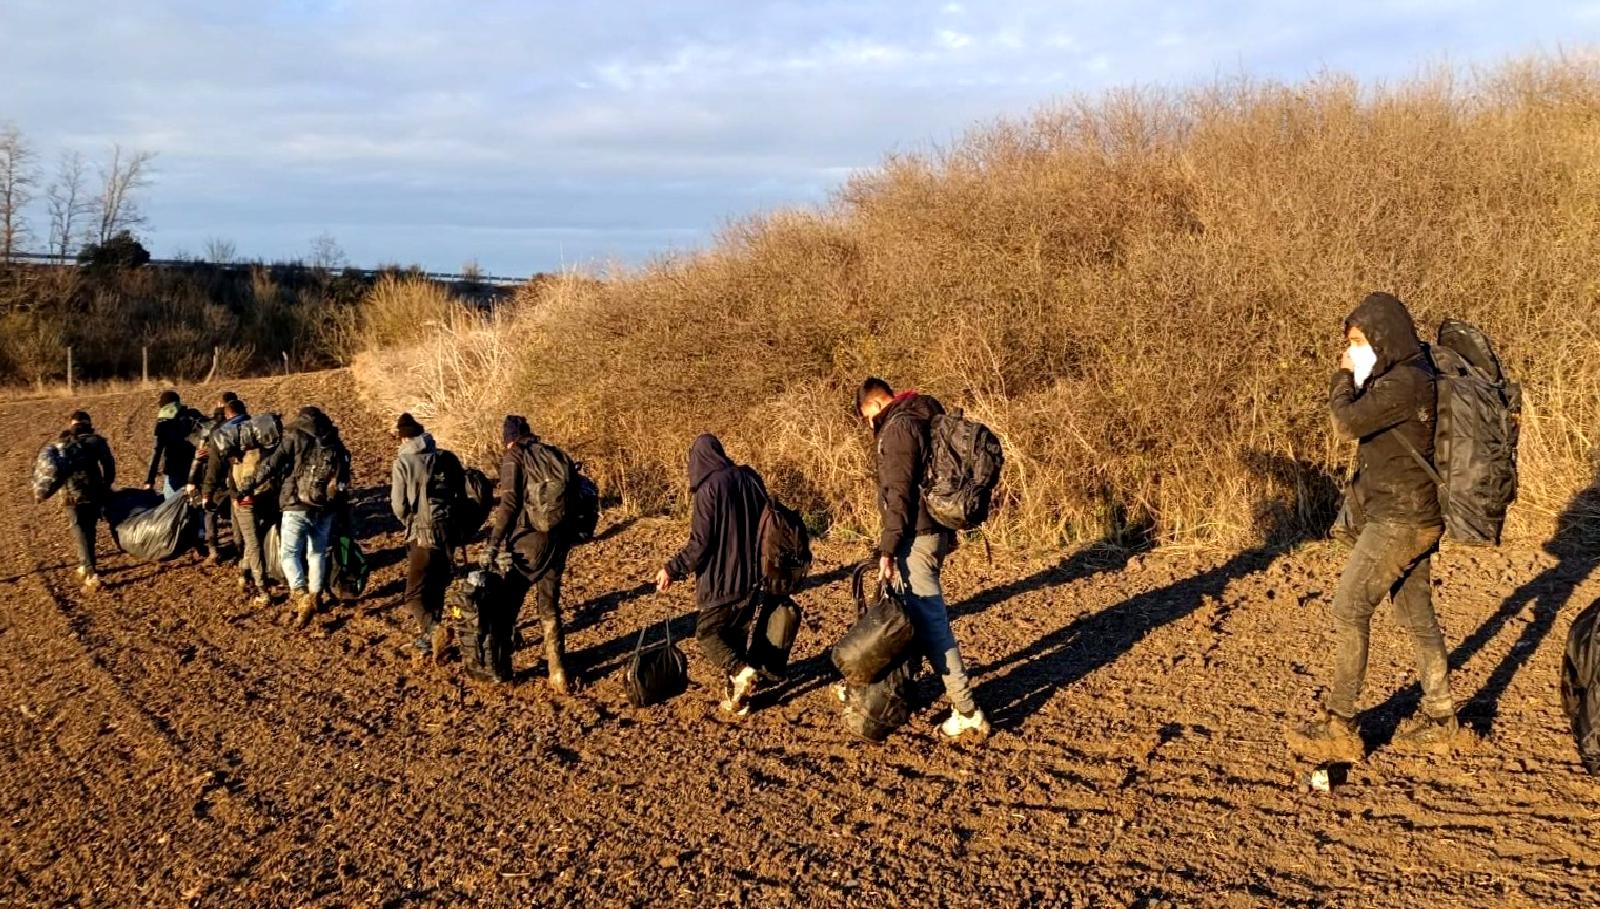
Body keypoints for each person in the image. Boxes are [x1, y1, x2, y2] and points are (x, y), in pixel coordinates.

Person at [1289, 292, 1459, 763]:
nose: (1352, 350)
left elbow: (1346, 423)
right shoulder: (1412, 373)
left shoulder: (1402, 383)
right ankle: (1442, 717)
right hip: (1415, 514)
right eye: (1349, 344)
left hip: (1400, 519)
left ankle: (1340, 724)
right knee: (1415, 614)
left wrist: (1342, 376)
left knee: (1348, 609)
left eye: (1359, 341)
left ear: (1383, 338)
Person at [855, 377, 990, 739]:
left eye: (866, 418)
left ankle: (967, 711)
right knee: (908, 617)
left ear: (874, 406)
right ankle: (897, 690)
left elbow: (897, 496)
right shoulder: (925, 414)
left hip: (917, 537)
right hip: (935, 534)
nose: (869, 426)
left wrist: (887, 549)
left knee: (931, 625)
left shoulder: (896, 430)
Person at [654, 434, 769, 716]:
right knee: (735, 638)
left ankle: (741, 672)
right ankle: (737, 700)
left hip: (721, 580)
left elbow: (700, 545)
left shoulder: (709, 489)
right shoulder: (750, 478)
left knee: (707, 635)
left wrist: (672, 568)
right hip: (753, 576)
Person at [482, 415, 575, 692]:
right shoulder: (551, 454)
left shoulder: (514, 457)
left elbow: (509, 505)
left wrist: (494, 542)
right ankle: (558, 671)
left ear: (508, 438)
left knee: (508, 603)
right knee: (549, 603)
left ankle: (502, 668)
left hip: (528, 541)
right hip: (558, 539)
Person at [239, 405, 350, 628]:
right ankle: (316, 595)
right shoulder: (334, 441)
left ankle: (301, 595)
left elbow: (272, 464)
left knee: (289, 553)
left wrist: (248, 486)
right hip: (324, 506)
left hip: (296, 503)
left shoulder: (293, 434)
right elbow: (343, 479)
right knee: (317, 552)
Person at [390, 413, 458, 664]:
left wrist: (409, 520)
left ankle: (433, 630)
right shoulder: (443, 457)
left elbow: (399, 506)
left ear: (403, 437)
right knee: (437, 585)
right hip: (447, 531)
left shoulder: (403, 462)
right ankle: (431, 637)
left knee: (413, 593)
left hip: (421, 533)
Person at [201, 397, 277, 606]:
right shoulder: (260, 430)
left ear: (227, 414)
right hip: (268, 492)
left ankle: (262, 590)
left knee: (251, 542)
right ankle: (244, 572)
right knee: (259, 536)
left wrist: (207, 493)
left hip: (242, 495)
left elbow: (214, 470)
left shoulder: (222, 436)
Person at [46, 411, 116, 592]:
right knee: (89, 530)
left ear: (72, 424)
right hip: (93, 493)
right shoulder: (97, 441)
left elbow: (54, 469)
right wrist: (106, 486)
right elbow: (109, 466)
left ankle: (91, 574)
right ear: (88, 423)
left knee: (79, 532)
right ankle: (86, 566)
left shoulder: (62, 442)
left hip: (70, 496)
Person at [186, 391, 240, 564]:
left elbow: (200, 460)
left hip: (216, 480)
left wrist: (192, 482)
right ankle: (240, 551)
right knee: (236, 516)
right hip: (237, 479)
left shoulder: (212, 430)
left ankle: (213, 551)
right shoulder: (244, 424)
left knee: (210, 514)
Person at [144, 390, 198, 500]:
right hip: (196, 471)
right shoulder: (194, 415)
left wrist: (150, 480)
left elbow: (156, 452)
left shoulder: (164, 421)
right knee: (195, 507)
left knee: (171, 510)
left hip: (174, 471)